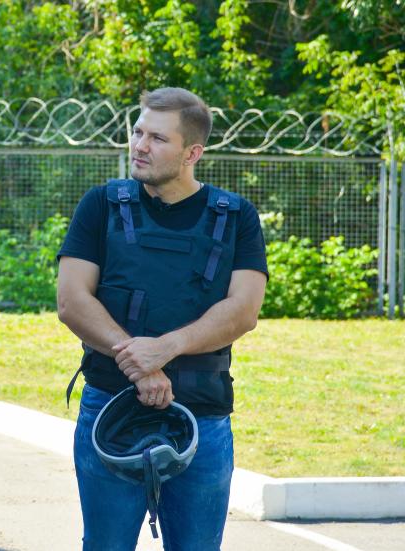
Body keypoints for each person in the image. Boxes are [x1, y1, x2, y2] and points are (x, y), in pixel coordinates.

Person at [57, 87, 268, 550]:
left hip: (202, 416)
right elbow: (72, 300)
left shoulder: (237, 218)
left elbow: (243, 310)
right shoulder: (101, 204)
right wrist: (141, 364)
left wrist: (166, 347)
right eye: (137, 132)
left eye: (156, 137)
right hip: (111, 408)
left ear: (192, 152)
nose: (139, 145)